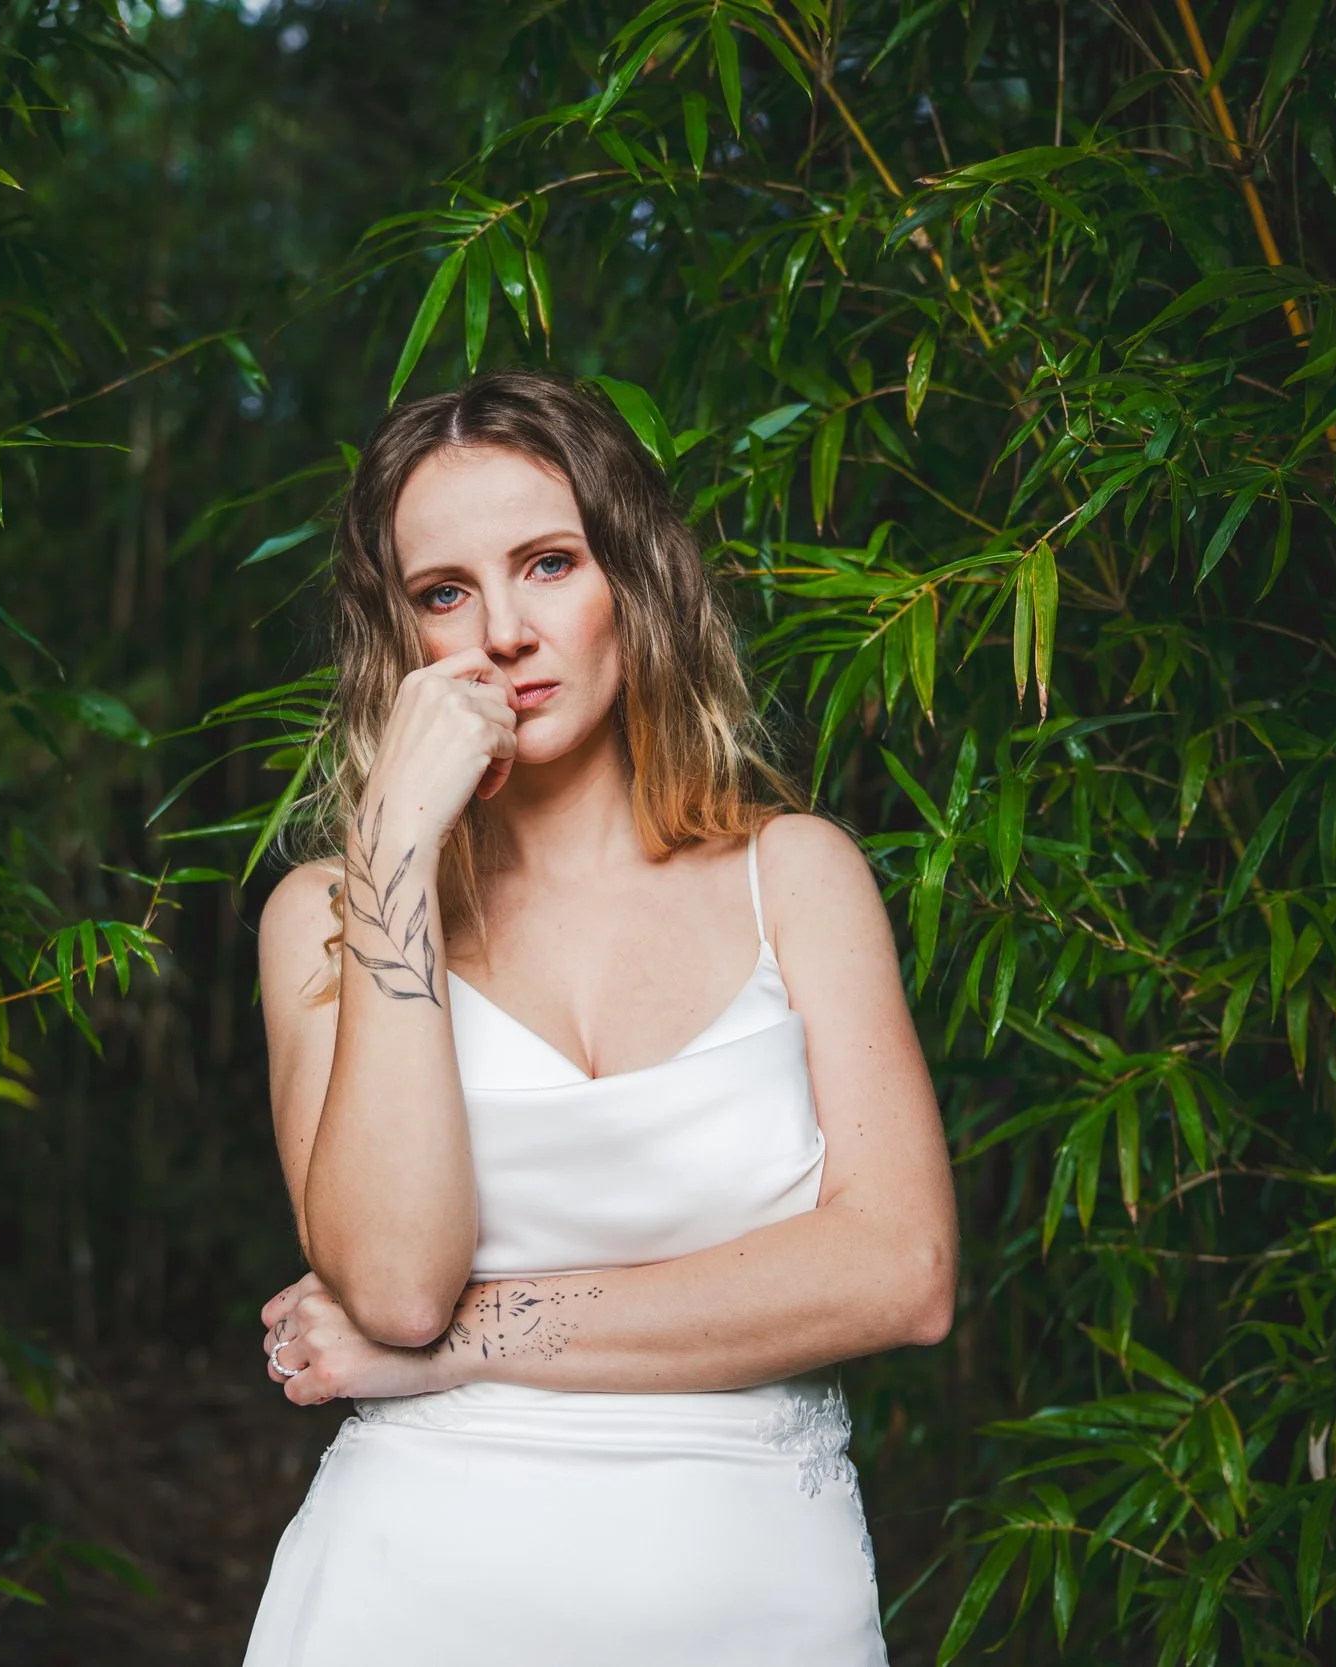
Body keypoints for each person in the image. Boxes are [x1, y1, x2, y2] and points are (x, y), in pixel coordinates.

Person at [243, 372, 958, 1666]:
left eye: (549, 563)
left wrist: (464, 1344)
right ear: (397, 642)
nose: (503, 633)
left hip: (758, 1609)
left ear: (634, 576)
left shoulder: (797, 876)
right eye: (443, 593)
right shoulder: (324, 919)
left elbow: (901, 1274)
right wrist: (393, 841)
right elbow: (396, 1286)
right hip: (408, 1600)